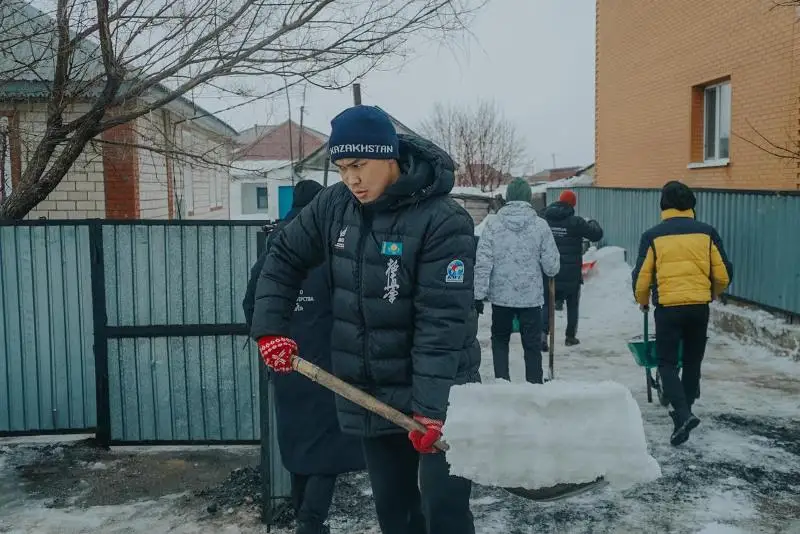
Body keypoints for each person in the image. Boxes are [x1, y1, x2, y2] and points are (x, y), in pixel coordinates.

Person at [250, 105, 480, 534]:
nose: (351, 179)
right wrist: (271, 330)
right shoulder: (334, 206)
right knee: (396, 514)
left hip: (443, 392)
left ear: (389, 156)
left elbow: (441, 322)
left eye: (359, 165)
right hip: (372, 392)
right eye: (341, 168)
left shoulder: (443, 219)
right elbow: (282, 257)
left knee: (443, 513)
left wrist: (432, 412)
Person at [243, 180, 365, 534]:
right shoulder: (329, 244)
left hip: (286, 360)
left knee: (298, 445)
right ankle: (311, 522)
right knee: (326, 448)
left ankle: (306, 517)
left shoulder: (275, 247)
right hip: (325, 362)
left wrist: (270, 340)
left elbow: (254, 303)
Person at [632, 180, 732, 446]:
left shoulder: (653, 236)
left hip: (669, 308)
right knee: (692, 362)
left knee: (666, 363)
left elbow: (642, 279)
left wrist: (642, 300)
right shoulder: (707, 232)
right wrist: (712, 292)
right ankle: (683, 414)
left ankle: (684, 414)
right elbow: (722, 274)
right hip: (699, 307)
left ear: (663, 205)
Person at [474, 178, 560, 384]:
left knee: (500, 340)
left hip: (501, 298)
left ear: (508, 198)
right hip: (530, 299)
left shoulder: (493, 224)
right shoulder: (541, 226)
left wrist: (478, 295)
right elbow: (552, 267)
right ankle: (534, 386)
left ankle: (502, 383)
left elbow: (483, 262)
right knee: (531, 344)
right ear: (529, 197)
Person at [541, 190, 604, 348]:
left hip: (549, 272)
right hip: (571, 275)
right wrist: (592, 223)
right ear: (573, 204)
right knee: (572, 305)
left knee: (547, 304)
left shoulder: (544, 219)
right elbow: (596, 235)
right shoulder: (576, 222)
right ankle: (570, 337)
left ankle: (542, 336)